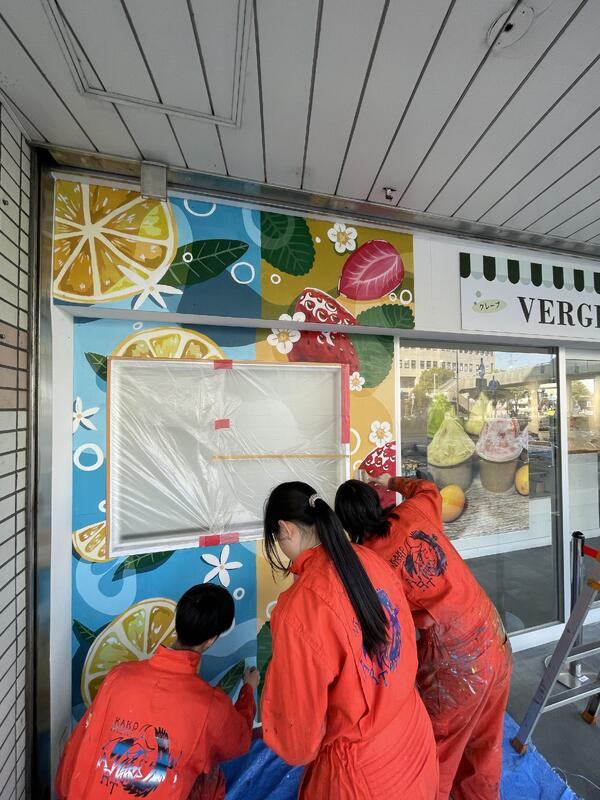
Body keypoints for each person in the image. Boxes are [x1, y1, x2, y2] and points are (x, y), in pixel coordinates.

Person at [335, 475, 512, 800]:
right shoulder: (414, 511)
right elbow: (428, 488)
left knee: (436, 748)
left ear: (345, 524)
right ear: (376, 501)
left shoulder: (369, 561)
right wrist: (390, 481)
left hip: (456, 662)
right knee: (485, 739)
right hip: (491, 628)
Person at [260, 481, 438, 799]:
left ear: (285, 529)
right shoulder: (369, 558)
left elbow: (297, 743)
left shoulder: (298, 609)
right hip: (416, 743)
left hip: (362, 778)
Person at [56, 584, 259, 800]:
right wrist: (248, 690)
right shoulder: (211, 705)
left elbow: (83, 741)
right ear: (210, 640)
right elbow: (238, 741)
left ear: (178, 622)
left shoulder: (120, 675)